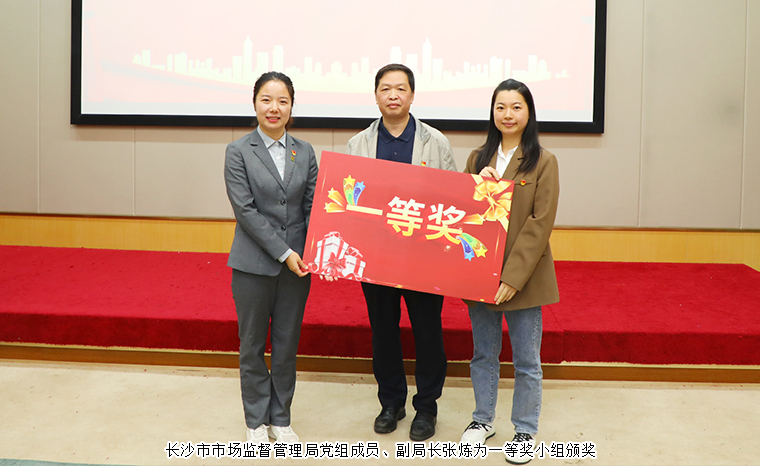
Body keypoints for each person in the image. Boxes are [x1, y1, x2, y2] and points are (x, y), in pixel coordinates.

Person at [346, 63, 457, 441]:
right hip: (376, 256)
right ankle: (391, 402)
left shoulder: (435, 142)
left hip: (423, 258)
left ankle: (427, 407)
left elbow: (451, 201)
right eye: (385, 88)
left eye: (400, 88)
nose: (393, 95)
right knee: (383, 331)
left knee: (428, 332)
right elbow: (350, 201)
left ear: (412, 95)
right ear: (376, 95)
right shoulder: (358, 144)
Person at [459, 79, 560, 465]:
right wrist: (475, 187)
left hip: (524, 278)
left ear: (529, 113)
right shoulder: (477, 158)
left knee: (526, 360)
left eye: (516, 107)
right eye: (501, 107)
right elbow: (463, 215)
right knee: (483, 354)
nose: (508, 114)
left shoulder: (543, 161)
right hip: (480, 274)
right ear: (492, 112)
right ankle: (482, 420)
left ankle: (525, 430)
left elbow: (539, 224)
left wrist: (512, 279)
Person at [224, 71, 318, 444]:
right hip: (252, 265)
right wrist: (284, 252)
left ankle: (281, 418)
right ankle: (255, 421)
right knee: (252, 346)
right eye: (266, 99)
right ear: (255, 104)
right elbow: (245, 211)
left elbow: (312, 207)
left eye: (282, 101)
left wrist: (314, 250)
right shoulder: (238, 151)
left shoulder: (305, 151)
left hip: (298, 268)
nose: (274, 108)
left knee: (286, 345)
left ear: (292, 106)